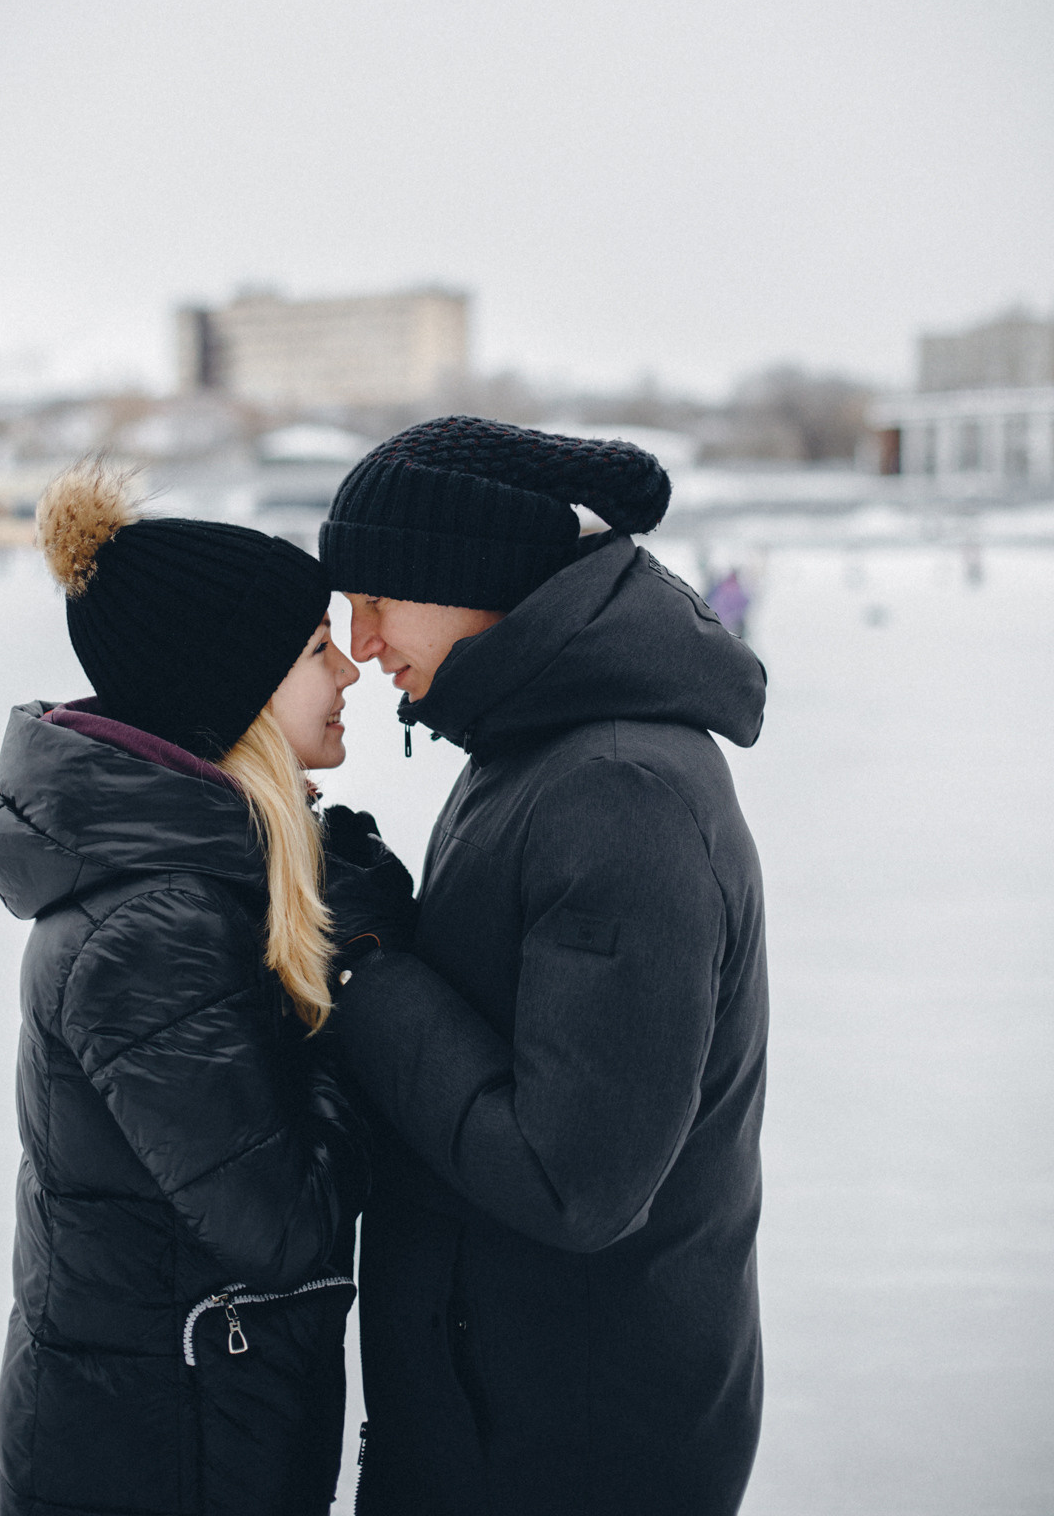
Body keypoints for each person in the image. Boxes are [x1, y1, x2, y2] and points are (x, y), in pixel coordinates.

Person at [318, 417, 770, 1516]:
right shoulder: (536, 744)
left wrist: (366, 968)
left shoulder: (618, 790)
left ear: (472, 578)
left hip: (570, 1447)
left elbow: (575, 1177)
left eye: (379, 597)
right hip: (504, 1405)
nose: (359, 641)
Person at [0, 461, 409, 1516]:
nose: (349, 671)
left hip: (191, 1422)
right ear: (238, 690)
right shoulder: (155, 931)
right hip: (162, 1457)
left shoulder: (209, 886)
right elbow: (286, 1224)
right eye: (315, 652)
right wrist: (370, 994)